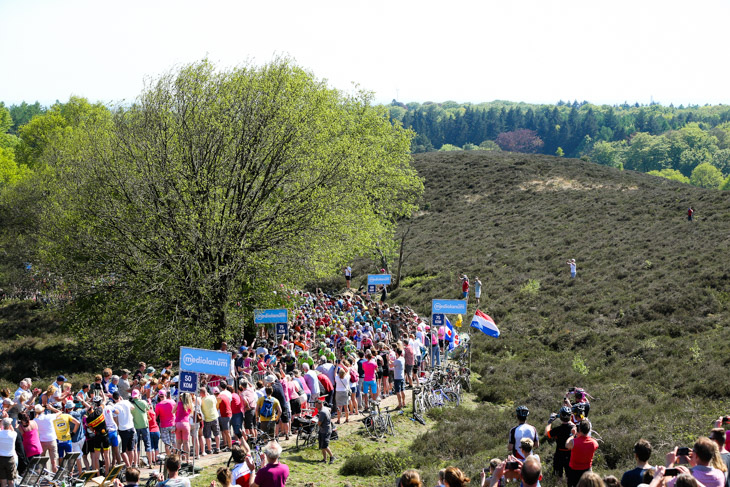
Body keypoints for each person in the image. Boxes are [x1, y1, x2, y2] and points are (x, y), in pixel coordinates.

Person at [566, 419, 599, 487]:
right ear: (589, 430)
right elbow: (595, 445)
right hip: (587, 471)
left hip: (573, 471)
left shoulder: (573, 442)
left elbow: (566, 445)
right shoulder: (594, 443)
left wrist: (573, 435)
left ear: (579, 429)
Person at [546, 406, 574, 480]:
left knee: (558, 475)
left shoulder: (557, 429)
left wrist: (550, 422)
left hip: (559, 453)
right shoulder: (574, 429)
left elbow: (547, 433)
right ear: (570, 417)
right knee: (570, 474)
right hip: (570, 454)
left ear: (560, 418)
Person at [200, 387, 221, 455]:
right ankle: (218, 447)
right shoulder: (212, 397)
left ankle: (209, 449)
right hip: (214, 417)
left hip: (207, 419)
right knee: (216, 433)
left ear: (201, 393)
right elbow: (215, 403)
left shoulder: (201, 400)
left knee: (208, 435)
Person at [316, 396, 335, 464]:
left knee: (325, 446)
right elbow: (330, 409)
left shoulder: (322, 412)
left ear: (320, 404)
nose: (316, 407)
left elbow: (319, 423)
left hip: (325, 431)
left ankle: (332, 456)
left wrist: (317, 422)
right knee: (322, 446)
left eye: (317, 405)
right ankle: (324, 459)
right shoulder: (326, 409)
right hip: (324, 430)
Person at [0, 418, 17, 487]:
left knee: (3, 481)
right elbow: (13, 430)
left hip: (1, 458)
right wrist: (10, 425)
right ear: (10, 425)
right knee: (11, 481)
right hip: (10, 458)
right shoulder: (13, 434)